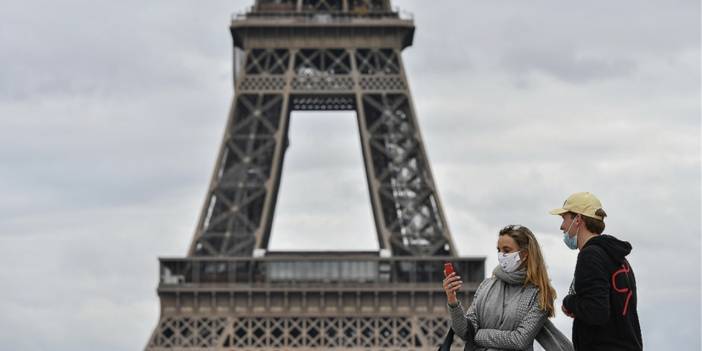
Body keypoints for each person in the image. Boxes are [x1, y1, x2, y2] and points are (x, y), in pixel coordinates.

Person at [443, 225, 573, 351]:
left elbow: (520, 340)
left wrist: (478, 335)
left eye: (506, 250)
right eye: (498, 250)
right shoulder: (486, 285)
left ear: (524, 254)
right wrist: (452, 300)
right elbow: (466, 333)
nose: (501, 255)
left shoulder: (540, 294)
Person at [550, 192, 642, 350]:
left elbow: (596, 311)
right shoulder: (618, 257)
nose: (562, 226)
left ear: (578, 219)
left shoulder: (590, 255)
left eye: (564, 218)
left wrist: (569, 303)